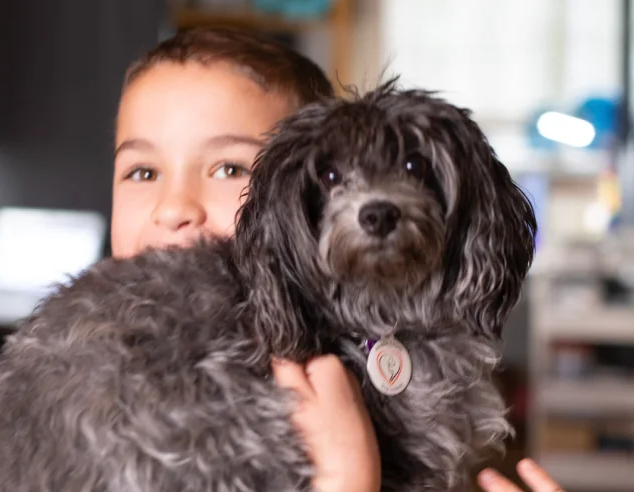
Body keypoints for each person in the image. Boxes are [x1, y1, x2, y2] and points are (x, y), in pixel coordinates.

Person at [111, 26, 566, 492]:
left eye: (230, 169)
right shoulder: (101, 393)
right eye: (142, 171)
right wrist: (347, 480)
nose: (173, 208)